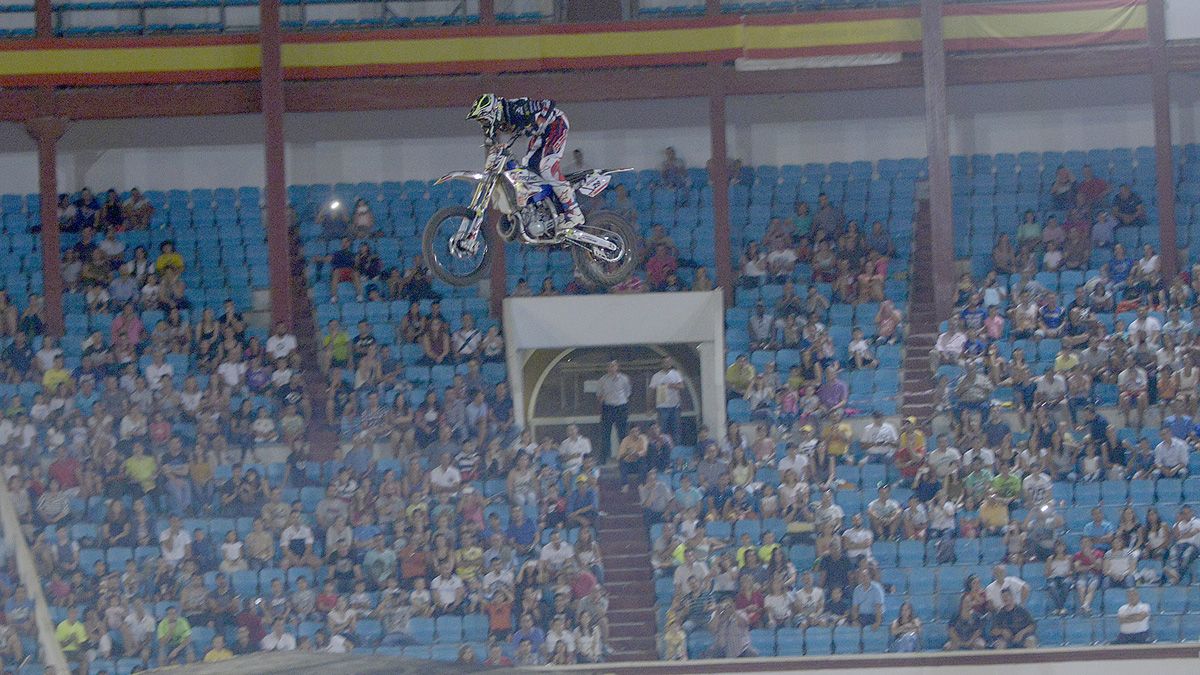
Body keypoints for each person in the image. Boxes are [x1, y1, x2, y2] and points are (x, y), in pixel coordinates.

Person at [466, 93, 584, 228]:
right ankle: (548, 208)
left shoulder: (516, 108)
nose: (484, 124)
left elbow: (549, 103)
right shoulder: (499, 122)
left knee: (547, 167)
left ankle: (574, 212)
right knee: (528, 166)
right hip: (540, 135)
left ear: (493, 112)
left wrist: (540, 119)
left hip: (555, 124)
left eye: (484, 120)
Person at [596, 360, 631, 463]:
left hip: (621, 407)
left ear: (617, 367)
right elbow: (599, 394)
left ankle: (623, 457)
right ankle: (603, 458)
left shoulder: (624, 378)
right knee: (605, 434)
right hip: (608, 407)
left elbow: (627, 393)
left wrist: (620, 401)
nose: (611, 368)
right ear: (607, 368)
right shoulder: (602, 380)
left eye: (613, 366)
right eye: (609, 366)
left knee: (623, 434)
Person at [649, 358, 684, 443]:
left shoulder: (676, 374)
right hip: (662, 406)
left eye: (669, 362)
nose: (667, 363)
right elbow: (651, 391)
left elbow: (681, 386)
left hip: (674, 406)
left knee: (676, 430)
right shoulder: (656, 376)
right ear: (662, 363)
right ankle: (663, 449)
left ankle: (676, 451)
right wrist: (650, 407)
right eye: (665, 362)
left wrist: (671, 385)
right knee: (662, 430)